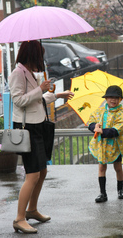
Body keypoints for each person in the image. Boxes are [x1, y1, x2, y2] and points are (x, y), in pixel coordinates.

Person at [9, 40, 74, 234]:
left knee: (42, 171)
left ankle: (32, 210)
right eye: (40, 55)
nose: (42, 59)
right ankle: (19, 218)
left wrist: (58, 94)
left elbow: (37, 100)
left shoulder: (29, 73)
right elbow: (18, 100)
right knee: (33, 174)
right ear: (32, 55)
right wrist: (41, 89)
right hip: (27, 127)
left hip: (38, 125)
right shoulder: (17, 73)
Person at [88, 85, 123, 203]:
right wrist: (94, 127)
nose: (113, 100)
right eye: (111, 97)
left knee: (118, 167)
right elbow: (91, 121)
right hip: (102, 145)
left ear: (120, 99)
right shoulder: (100, 111)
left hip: (115, 145)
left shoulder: (121, 115)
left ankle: (120, 190)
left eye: (116, 98)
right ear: (106, 99)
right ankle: (102, 193)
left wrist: (103, 131)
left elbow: (117, 130)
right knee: (102, 167)